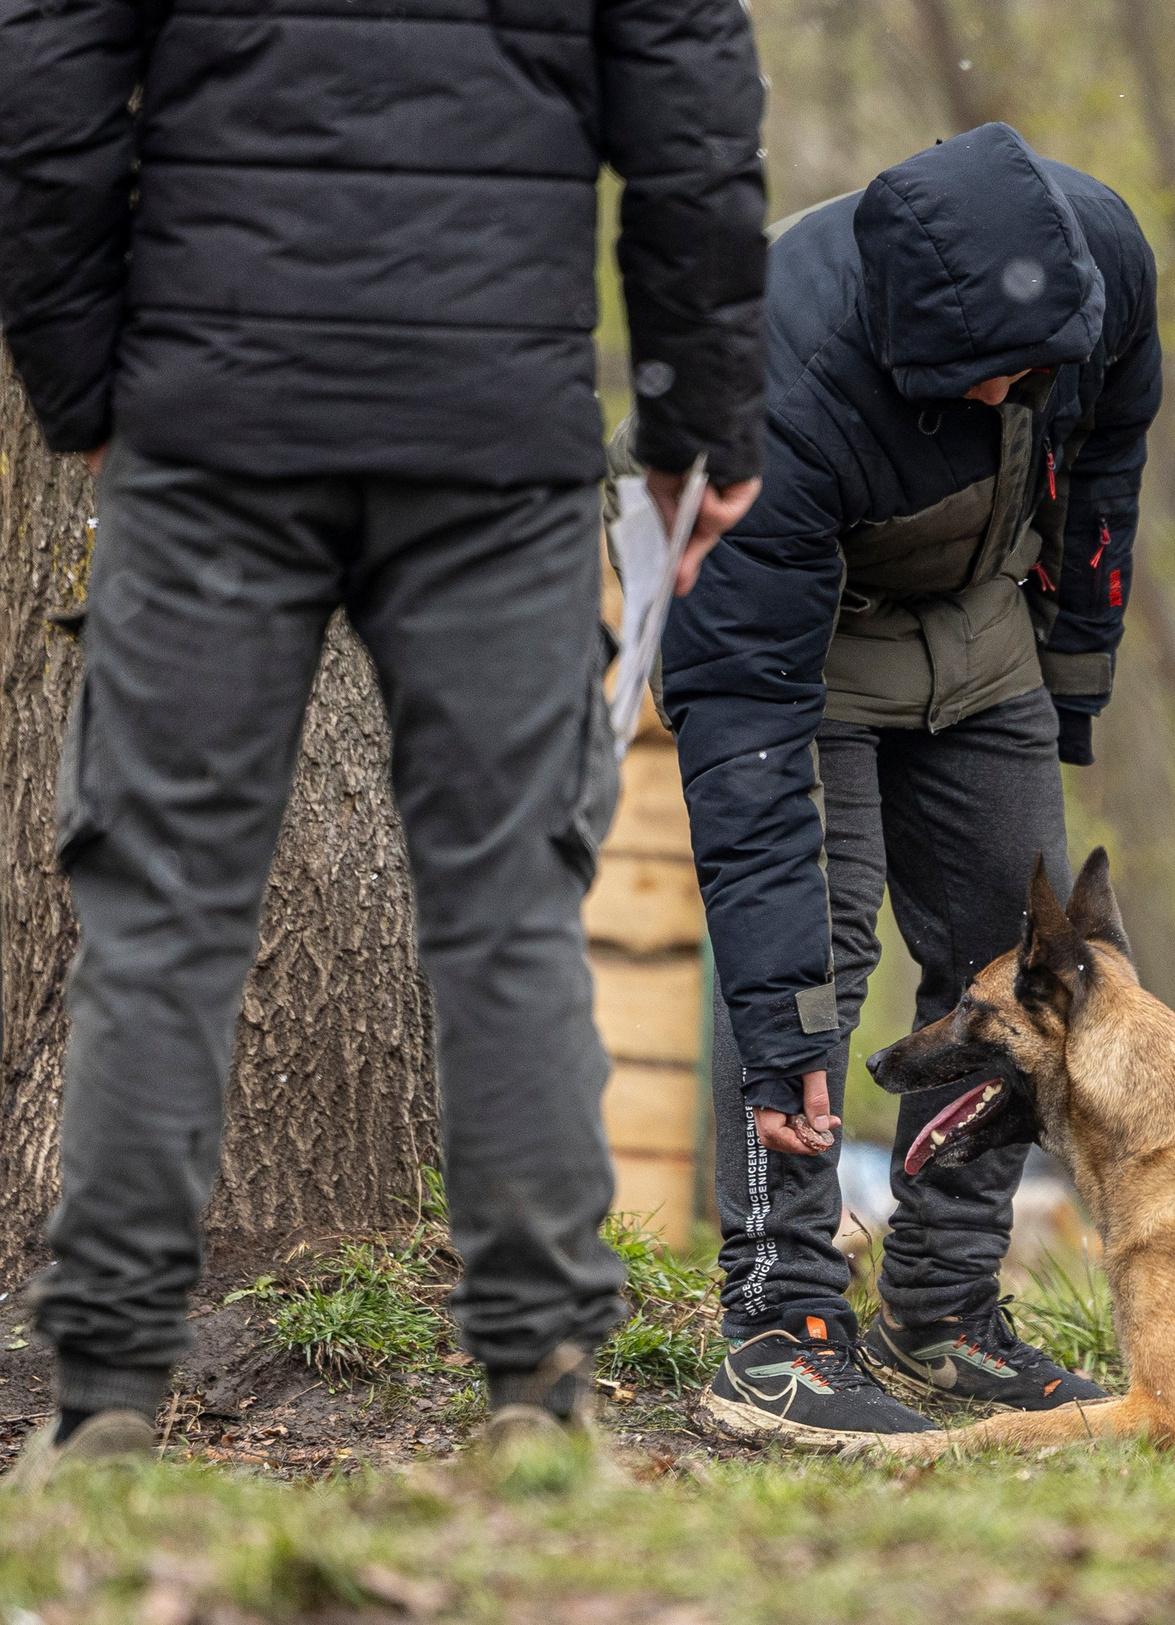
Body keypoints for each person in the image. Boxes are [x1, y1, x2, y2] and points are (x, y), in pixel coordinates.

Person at [0, 0, 767, 1484]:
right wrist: (696, 419)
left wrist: (84, 382)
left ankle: (99, 1403)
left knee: (158, 908)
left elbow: (45, 84)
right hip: (492, 426)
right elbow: (693, 122)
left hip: (213, 413)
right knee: (509, 908)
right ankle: (541, 1400)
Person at [660, 124, 1160, 1447]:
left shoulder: (1100, 262)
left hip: (983, 627)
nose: (1008, 394)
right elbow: (746, 740)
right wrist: (778, 1019)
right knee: (811, 959)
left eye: (1027, 371)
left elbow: (1103, 474)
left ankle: (942, 1315)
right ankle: (780, 1326)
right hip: (797, 643)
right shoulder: (777, 381)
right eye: (979, 377)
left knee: (1018, 951)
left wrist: (1076, 676)